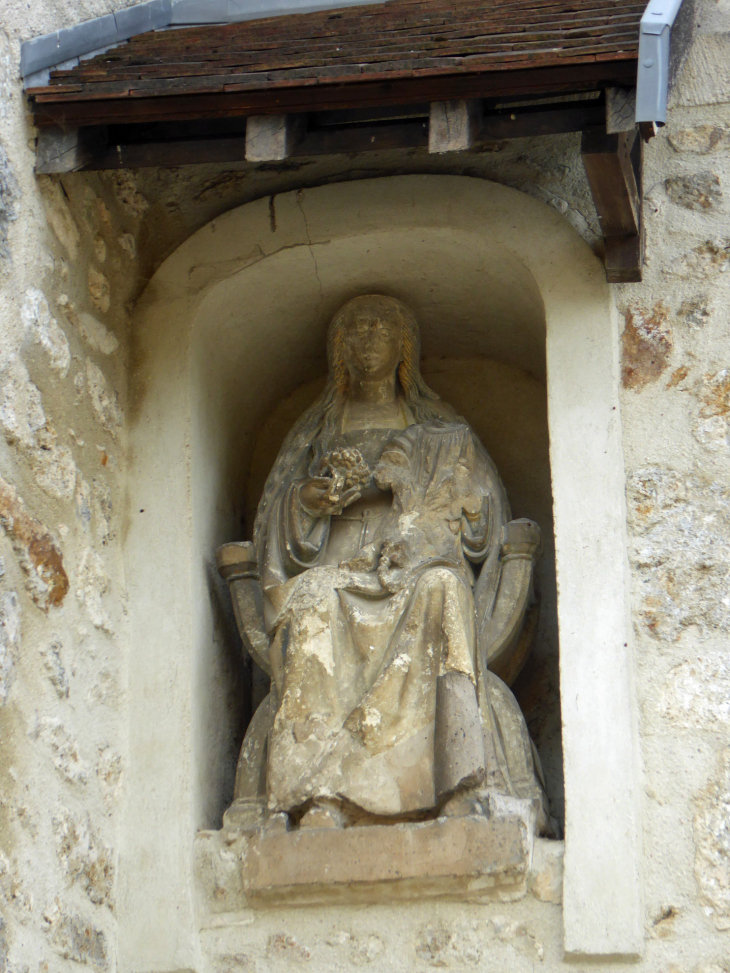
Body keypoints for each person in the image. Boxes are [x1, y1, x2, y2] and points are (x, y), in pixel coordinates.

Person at [253, 294, 549, 829]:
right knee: (314, 599)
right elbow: (277, 511)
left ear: (403, 347)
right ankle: (320, 795)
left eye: (380, 329)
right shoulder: (318, 428)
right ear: (339, 349)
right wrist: (309, 502)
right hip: (341, 565)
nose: (368, 339)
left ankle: (453, 786)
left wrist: (456, 512)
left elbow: (479, 511)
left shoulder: (439, 427)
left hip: (413, 565)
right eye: (356, 331)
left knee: (443, 589)